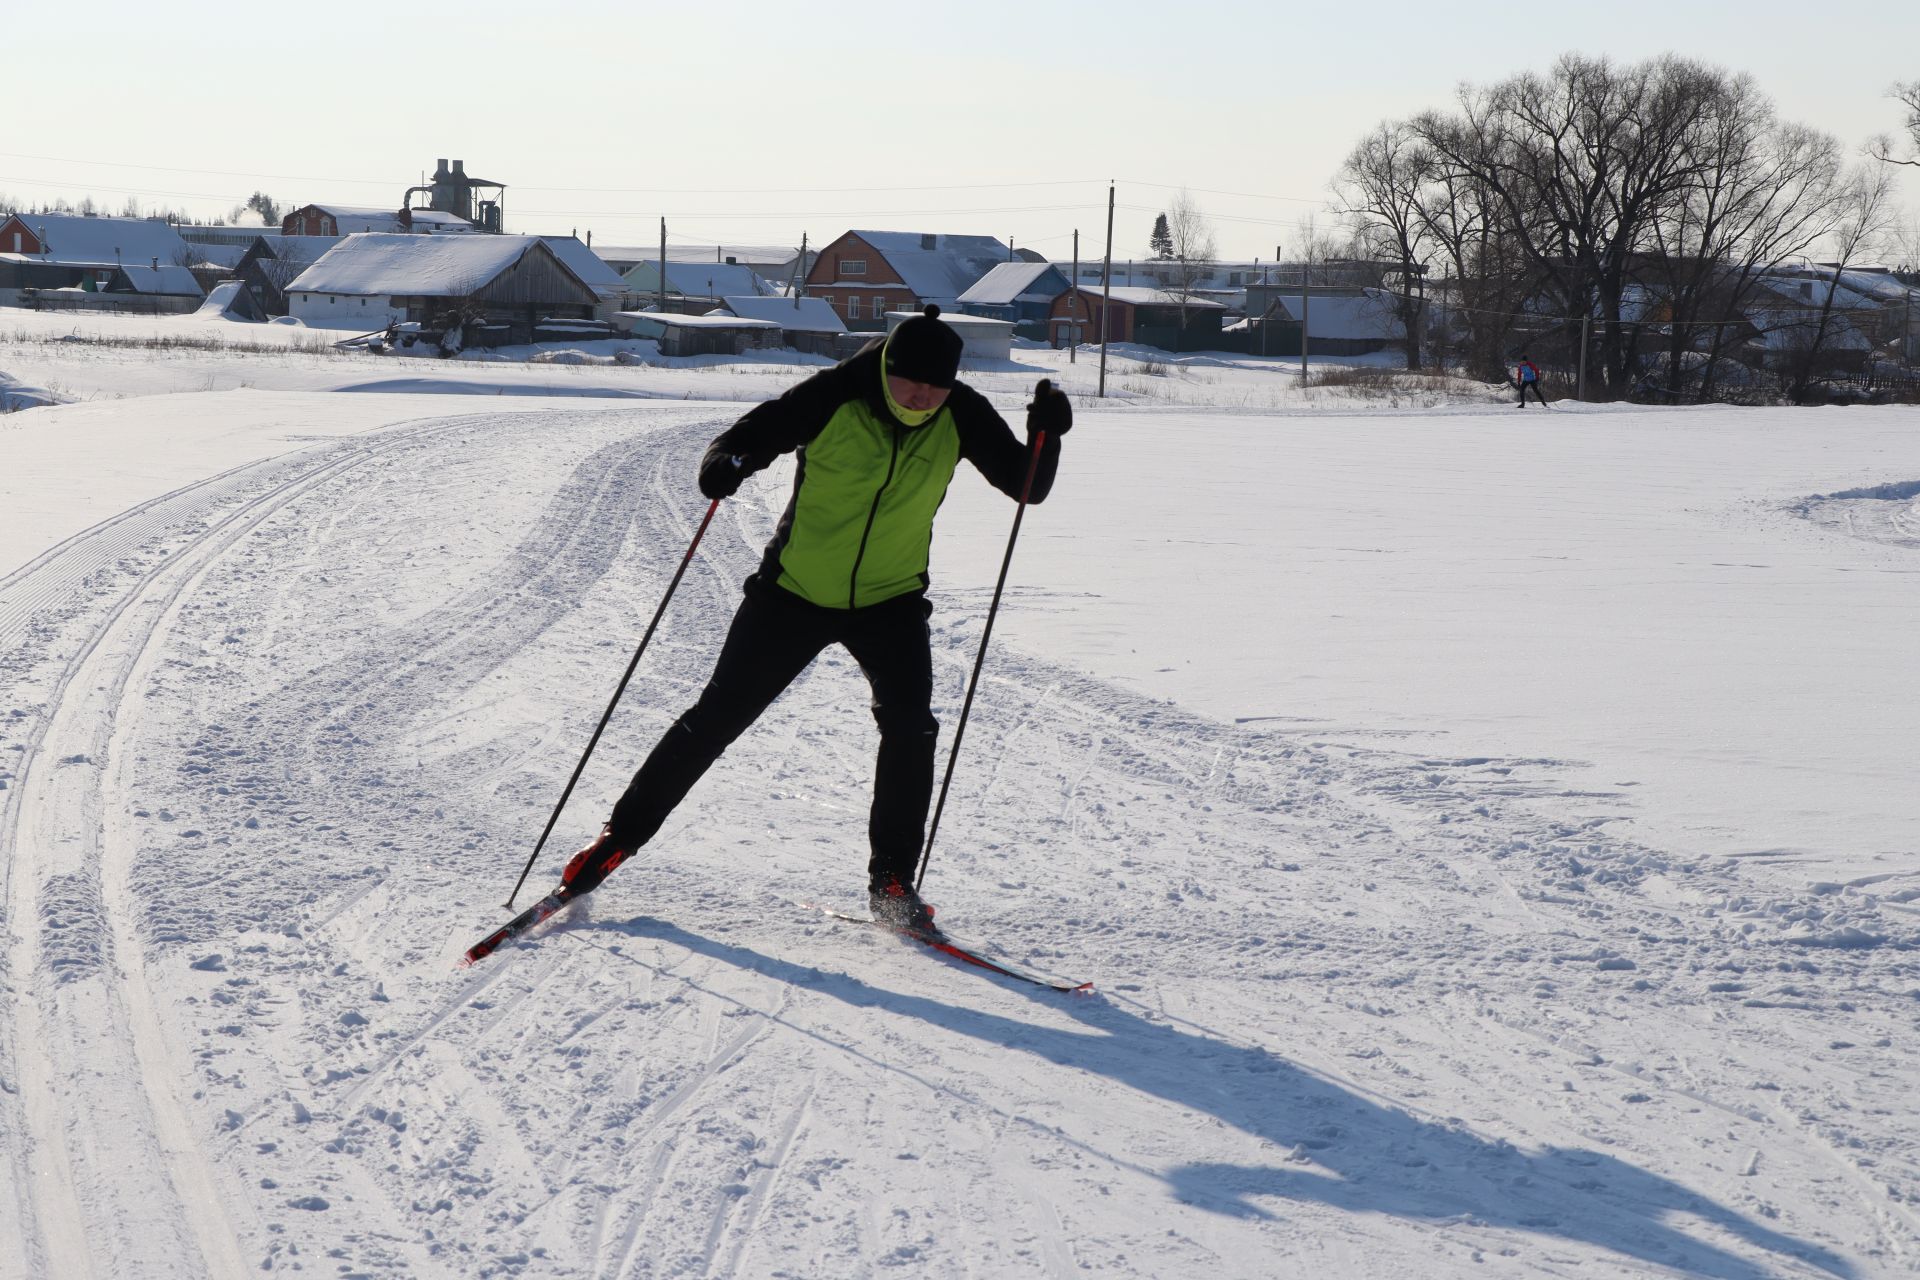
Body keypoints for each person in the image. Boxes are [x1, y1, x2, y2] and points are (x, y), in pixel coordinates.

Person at [556, 306, 1072, 929]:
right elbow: (746, 437)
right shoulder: (834, 395)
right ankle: (618, 839)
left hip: (892, 601)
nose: (923, 397)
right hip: (793, 593)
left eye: (936, 387)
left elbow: (1026, 487)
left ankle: (891, 882)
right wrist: (726, 464)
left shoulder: (959, 411)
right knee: (716, 717)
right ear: (886, 367)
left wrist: (1047, 438)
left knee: (911, 731)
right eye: (912, 383)